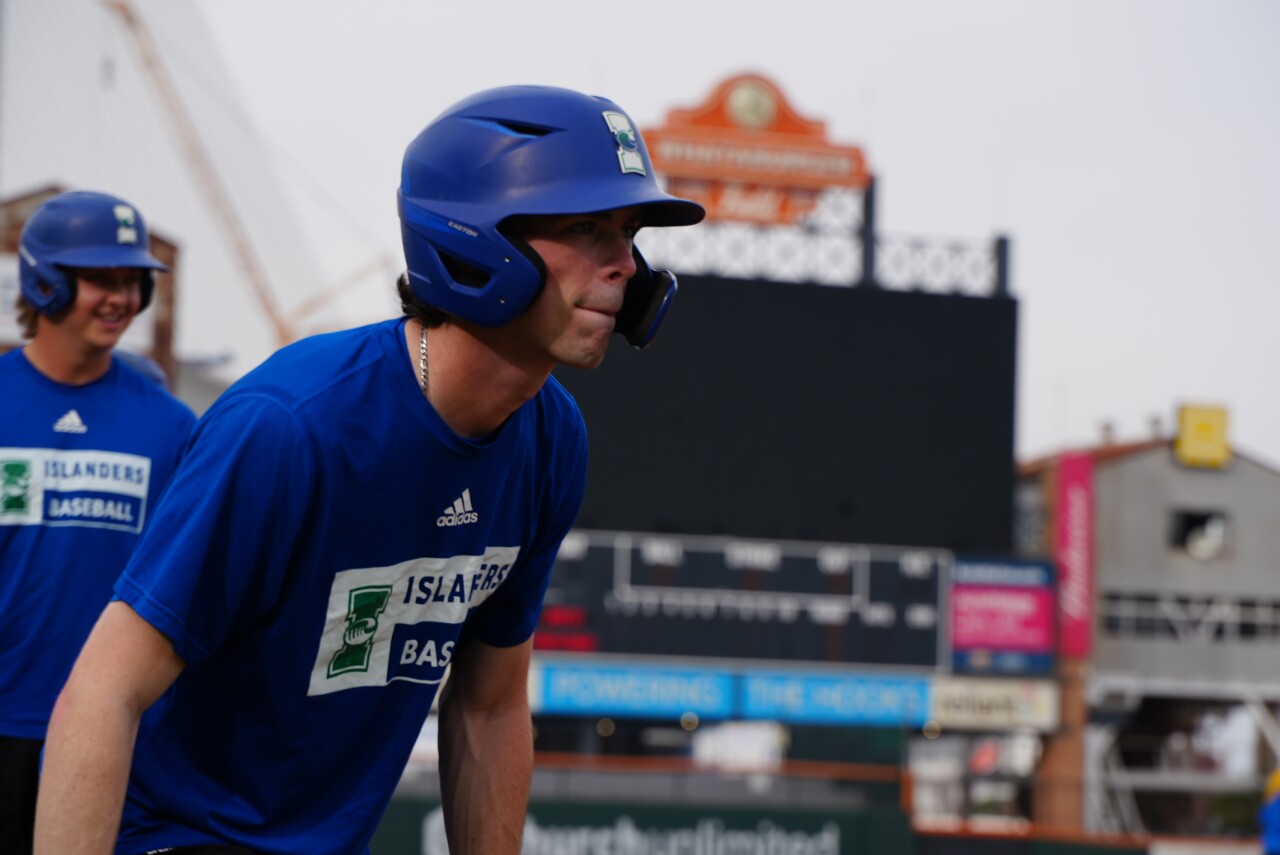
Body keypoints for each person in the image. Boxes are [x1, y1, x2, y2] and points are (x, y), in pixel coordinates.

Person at [34, 85, 704, 855]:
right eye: (588, 228)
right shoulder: (290, 426)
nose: (627, 264)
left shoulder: (553, 440)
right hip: (177, 834)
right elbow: (102, 691)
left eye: (629, 232)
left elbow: (487, 707)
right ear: (476, 241)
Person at [0, 190, 196, 854]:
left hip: (111, 733)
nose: (120, 298)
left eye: (132, 281)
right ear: (44, 281)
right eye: (99, 279)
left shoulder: (170, 424)